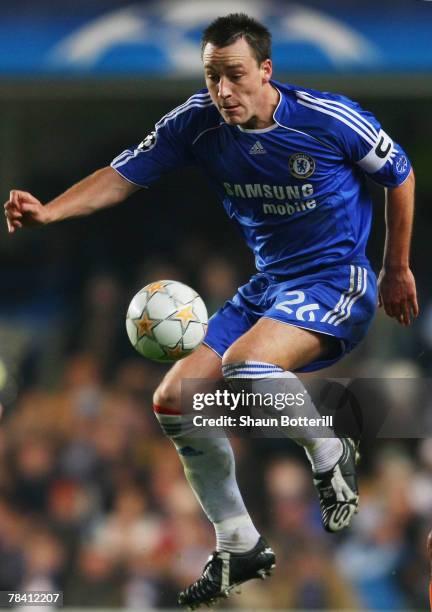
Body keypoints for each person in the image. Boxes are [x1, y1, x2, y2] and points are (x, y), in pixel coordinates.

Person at [4, 13, 418, 609]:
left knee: (247, 365)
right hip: (268, 287)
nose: (223, 91)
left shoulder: (328, 119)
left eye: (235, 75)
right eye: (212, 76)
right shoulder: (196, 124)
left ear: (266, 71)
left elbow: (399, 175)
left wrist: (395, 268)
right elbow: (121, 176)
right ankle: (239, 541)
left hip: (336, 281)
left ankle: (332, 450)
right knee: (176, 397)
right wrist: (50, 212)